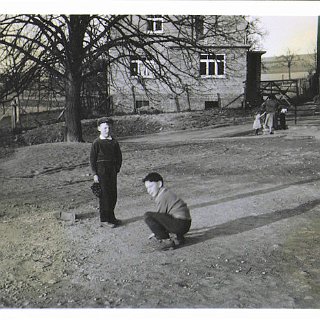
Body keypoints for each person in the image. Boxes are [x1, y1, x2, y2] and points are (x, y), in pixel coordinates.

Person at [142, 172, 192, 250]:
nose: (149, 190)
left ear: (159, 184)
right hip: (185, 223)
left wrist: (157, 232)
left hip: (179, 224)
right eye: (147, 188)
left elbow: (160, 216)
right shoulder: (166, 192)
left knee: (148, 216)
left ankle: (167, 241)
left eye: (151, 187)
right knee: (166, 216)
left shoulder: (162, 196)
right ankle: (178, 238)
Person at [90, 117, 122, 228]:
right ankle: (104, 219)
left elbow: (119, 157)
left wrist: (116, 168)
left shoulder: (114, 142)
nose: (107, 130)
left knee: (113, 194)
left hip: (112, 172)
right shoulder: (96, 143)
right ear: (99, 128)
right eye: (104, 128)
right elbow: (92, 160)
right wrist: (95, 174)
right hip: (101, 172)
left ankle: (111, 217)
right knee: (104, 196)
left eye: (108, 127)